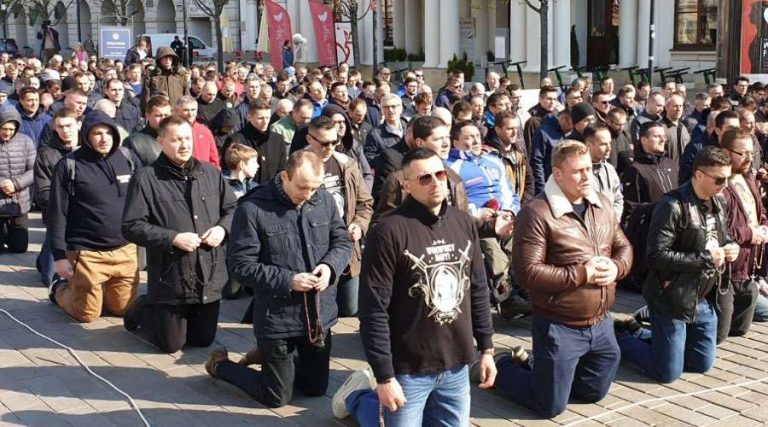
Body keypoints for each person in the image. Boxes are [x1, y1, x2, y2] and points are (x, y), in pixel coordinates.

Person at [333, 147, 495, 426]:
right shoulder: (388, 232)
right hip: (407, 367)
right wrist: (384, 376)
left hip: (456, 362)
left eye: (440, 174)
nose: (436, 183)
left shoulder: (463, 222)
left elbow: (478, 288)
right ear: (406, 185)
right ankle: (358, 398)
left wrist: (487, 348)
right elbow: (373, 310)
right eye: (424, 178)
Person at [204, 151, 352, 408]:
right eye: (302, 187)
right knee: (276, 398)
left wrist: (330, 267)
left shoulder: (324, 200)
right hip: (277, 318)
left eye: (314, 188)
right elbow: (240, 265)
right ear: (285, 176)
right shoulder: (252, 208)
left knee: (315, 389)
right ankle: (221, 365)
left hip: (317, 314)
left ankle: (271, 360)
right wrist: (288, 280)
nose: (308, 195)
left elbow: (341, 242)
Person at [496, 140, 632, 418]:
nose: (586, 176)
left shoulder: (601, 203)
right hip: (558, 324)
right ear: (557, 174)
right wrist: (583, 273)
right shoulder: (537, 212)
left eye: (588, 169)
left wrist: (617, 267)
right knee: (550, 406)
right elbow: (527, 272)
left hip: (602, 321)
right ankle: (501, 367)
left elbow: (624, 247)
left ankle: (549, 375)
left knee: (593, 392)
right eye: (578, 171)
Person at [616, 146, 738, 383]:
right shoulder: (672, 205)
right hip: (670, 297)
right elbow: (655, 256)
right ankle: (620, 337)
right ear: (699, 175)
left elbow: (722, 237)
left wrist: (731, 246)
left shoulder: (719, 202)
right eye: (719, 179)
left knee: (701, 363)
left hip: (701, 297)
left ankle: (655, 340)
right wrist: (705, 258)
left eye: (728, 178)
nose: (725, 185)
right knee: (667, 373)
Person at [121, 115, 237, 353]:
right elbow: (131, 225)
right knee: (171, 346)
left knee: (203, 340)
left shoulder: (210, 173)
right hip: (171, 277)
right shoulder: (146, 178)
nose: (184, 145)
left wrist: (222, 229)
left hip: (208, 274)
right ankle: (143, 308)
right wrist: (172, 238)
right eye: (176, 140)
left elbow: (233, 209)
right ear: (161, 142)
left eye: (187, 138)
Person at [47, 111, 138, 323]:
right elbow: (57, 213)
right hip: (87, 252)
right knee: (87, 314)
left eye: (108, 132)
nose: (104, 138)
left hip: (125, 248)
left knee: (123, 309)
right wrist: (59, 257)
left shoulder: (127, 158)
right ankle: (59, 288)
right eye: (97, 133)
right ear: (86, 136)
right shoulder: (69, 165)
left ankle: (98, 292)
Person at [303, 116, 373, 317]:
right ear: (310, 139)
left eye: (335, 142)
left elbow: (365, 203)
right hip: (314, 245)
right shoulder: (299, 165)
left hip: (346, 243)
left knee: (349, 308)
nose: (330, 147)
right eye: (324, 143)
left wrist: (359, 225)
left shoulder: (347, 164)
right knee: (319, 307)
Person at [715, 129, 766, 343]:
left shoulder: (749, 178)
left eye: (751, 153)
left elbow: (760, 213)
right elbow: (718, 231)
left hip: (748, 272)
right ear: (726, 152)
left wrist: (764, 228)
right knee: (718, 335)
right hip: (724, 273)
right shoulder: (719, 185)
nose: (749, 158)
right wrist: (750, 234)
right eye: (742, 153)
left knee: (740, 329)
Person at [34, 107, 79, 286]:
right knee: (51, 279)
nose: (65, 130)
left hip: (86, 219)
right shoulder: (46, 154)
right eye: (60, 127)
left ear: (78, 125)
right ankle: (46, 253)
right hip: (58, 217)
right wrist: (65, 205)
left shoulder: (89, 152)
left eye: (69, 125)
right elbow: (42, 192)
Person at [225, 99, 286, 183]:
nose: (265, 122)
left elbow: (281, 170)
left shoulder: (278, 140)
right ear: (249, 117)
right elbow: (229, 171)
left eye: (267, 118)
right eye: (260, 118)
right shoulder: (235, 140)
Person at [0, 108, 35, 254]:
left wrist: (15, 184)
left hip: (19, 201)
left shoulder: (26, 141)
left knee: (19, 248)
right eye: (4, 128)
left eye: (11, 129)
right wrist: (2, 184)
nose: (7, 133)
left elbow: (34, 170)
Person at [584, 123, 623, 222]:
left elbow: (618, 199)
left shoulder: (610, 169)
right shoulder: (578, 172)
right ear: (589, 145)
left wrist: (613, 221)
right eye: (603, 144)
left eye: (610, 143)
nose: (609, 148)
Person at [123, 95, 173, 166]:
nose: (163, 119)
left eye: (166, 115)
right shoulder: (133, 142)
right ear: (147, 116)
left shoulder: (180, 137)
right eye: (158, 115)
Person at [175, 96, 220, 168]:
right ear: (177, 111)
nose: (190, 114)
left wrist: (215, 173)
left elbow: (214, 159)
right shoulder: (172, 131)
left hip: (204, 172)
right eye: (186, 110)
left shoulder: (205, 131)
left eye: (193, 110)